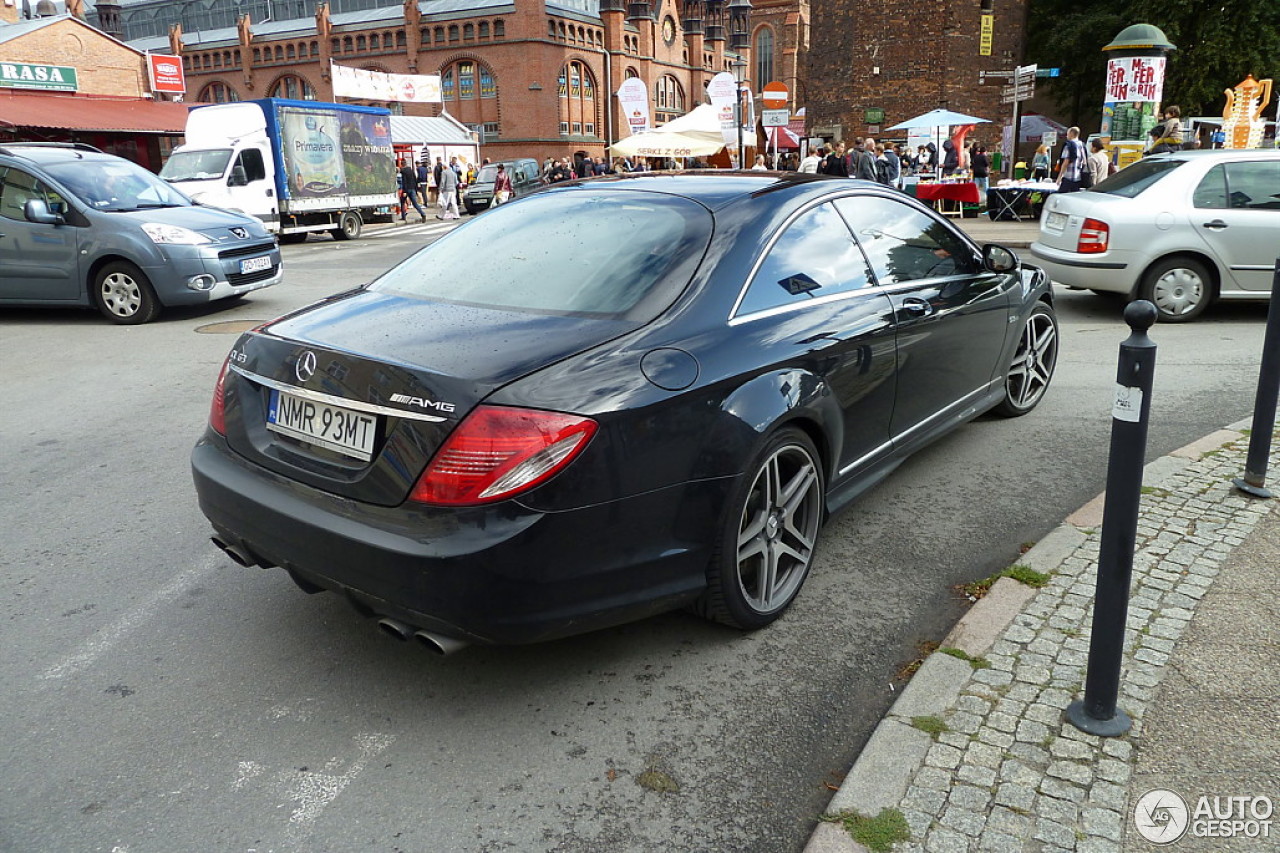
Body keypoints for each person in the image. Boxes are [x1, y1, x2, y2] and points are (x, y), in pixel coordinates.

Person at [1056, 126, 1087, 193]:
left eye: (1067, 134)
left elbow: (1065, 162)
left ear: (1071, 134)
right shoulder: (1082, 145)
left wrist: (1059, 177)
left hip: (1068, 176)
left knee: (1061, 196)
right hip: (1078, 177)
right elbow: (1085, 162)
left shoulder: (1069, 145)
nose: (1067, 136)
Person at [398, 158, 426, 222]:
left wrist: (404, 191)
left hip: (406, 189)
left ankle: (403, 216)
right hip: (412, 189)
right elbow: (415, 180)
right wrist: (416, 189)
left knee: (402, 202)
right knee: (415, 203)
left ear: (402, 165)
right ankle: (423, 213)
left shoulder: (403, 171)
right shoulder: (411, 170)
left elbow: (404, 181)